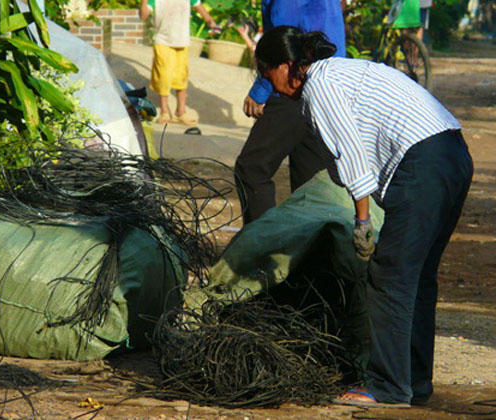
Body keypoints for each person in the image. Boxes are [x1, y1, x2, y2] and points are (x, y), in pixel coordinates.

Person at [254, 25, 473, 407]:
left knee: (388, 274)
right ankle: (414, 382)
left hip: (422, 164)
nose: (268, 84)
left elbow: (352, 155)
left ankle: (387, 387)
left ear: (287, 65)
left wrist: (362, 222)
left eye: (265, 73)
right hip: (452, 154)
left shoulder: (320, 84)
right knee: (416, 278)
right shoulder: (340, 71)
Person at [234, 0, 346, 224]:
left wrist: (263, 87)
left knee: (252, 168)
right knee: (312, 182)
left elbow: (286, 41)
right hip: (328, 81)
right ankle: (310, 251)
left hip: (295, 83)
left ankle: (264, 246)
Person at [139, 0, 218, 125]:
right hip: (163, 41)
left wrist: (211, 22)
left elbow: (199, 7)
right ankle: (164, 112)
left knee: (182, 78)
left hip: (182, 41)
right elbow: (143, 16)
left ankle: (181, 112)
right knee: (163, 77)